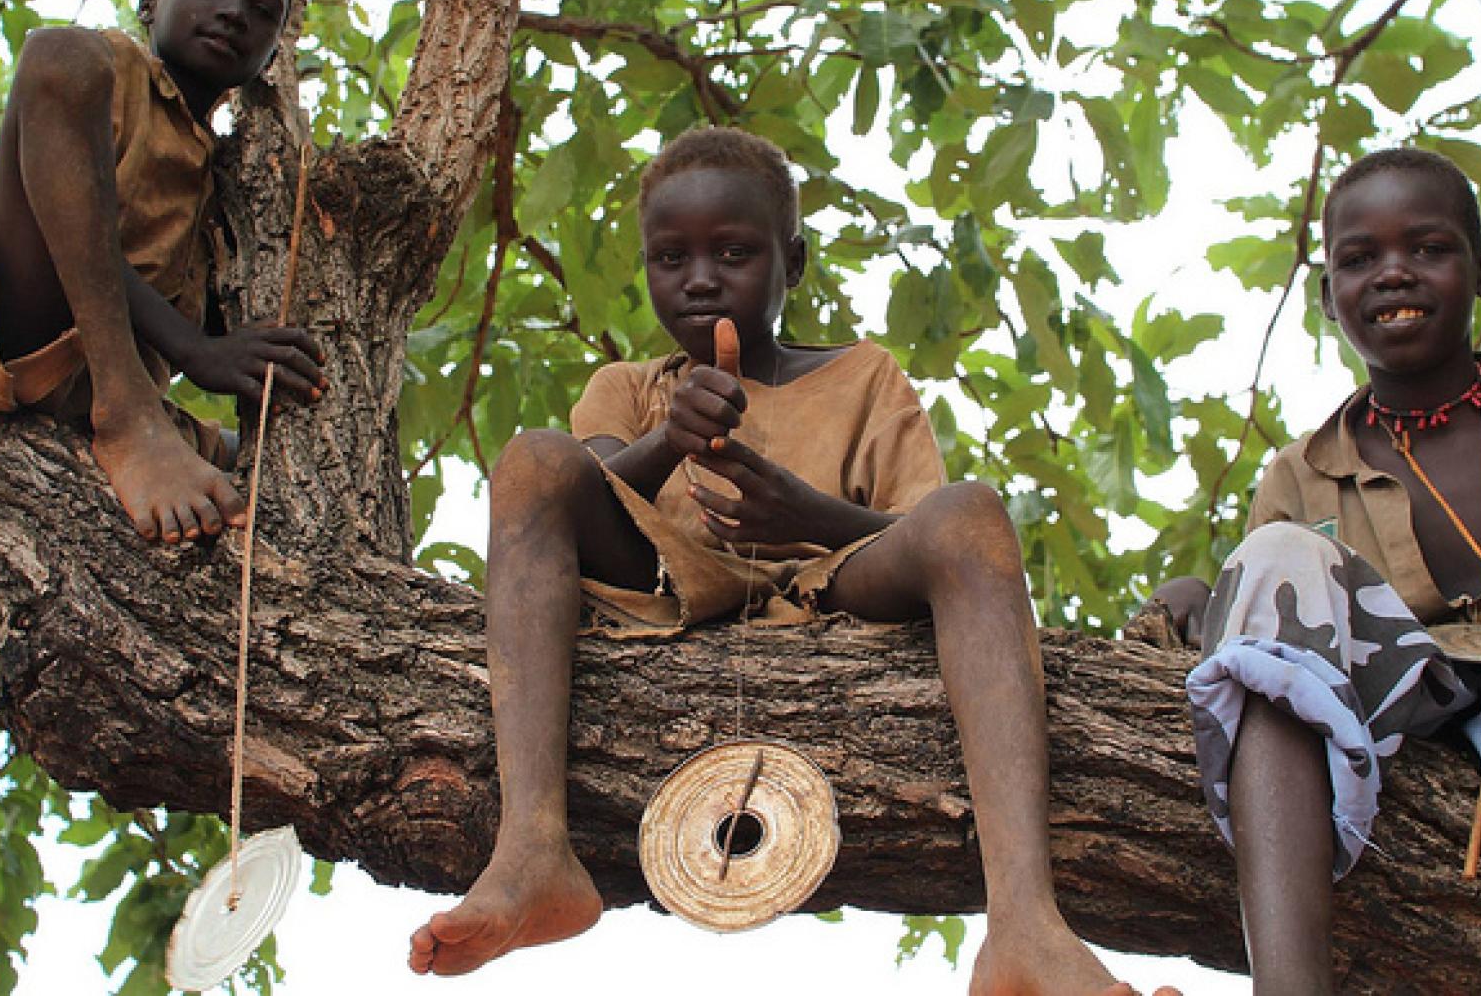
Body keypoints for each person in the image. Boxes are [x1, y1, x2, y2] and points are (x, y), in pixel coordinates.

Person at [408, 127, 1178, 996]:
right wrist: (669, 438)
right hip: (661, 583)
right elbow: (574, 497)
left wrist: (807, 517)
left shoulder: (865, 376)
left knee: (972, 510)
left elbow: (918, 527)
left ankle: (1025, 926)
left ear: (794, 261)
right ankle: (532, 850)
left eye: (733, 251)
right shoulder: (628, 387)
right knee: (534, 459)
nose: (700, 277)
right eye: (671, 257)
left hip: (837, 584)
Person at [1154, 148, 1481, 994]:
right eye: (1359, 259)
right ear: (1328, 298)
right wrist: (1201, 599)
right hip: (1401, 691)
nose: (1392, 273)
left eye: (1427, 248)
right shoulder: (1299, 472)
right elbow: (1282, 638)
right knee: (1274, 559)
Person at [0, 0, 326, 544]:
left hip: (75, 392)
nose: (234, 12)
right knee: (59, 55)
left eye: (263, 12)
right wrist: (192, 349)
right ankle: (127, 418)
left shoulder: (229, 177)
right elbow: (68, 240)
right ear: (152, 4)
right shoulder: (117, 69)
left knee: (266, 476)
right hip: (8, 330)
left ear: (271, 53)